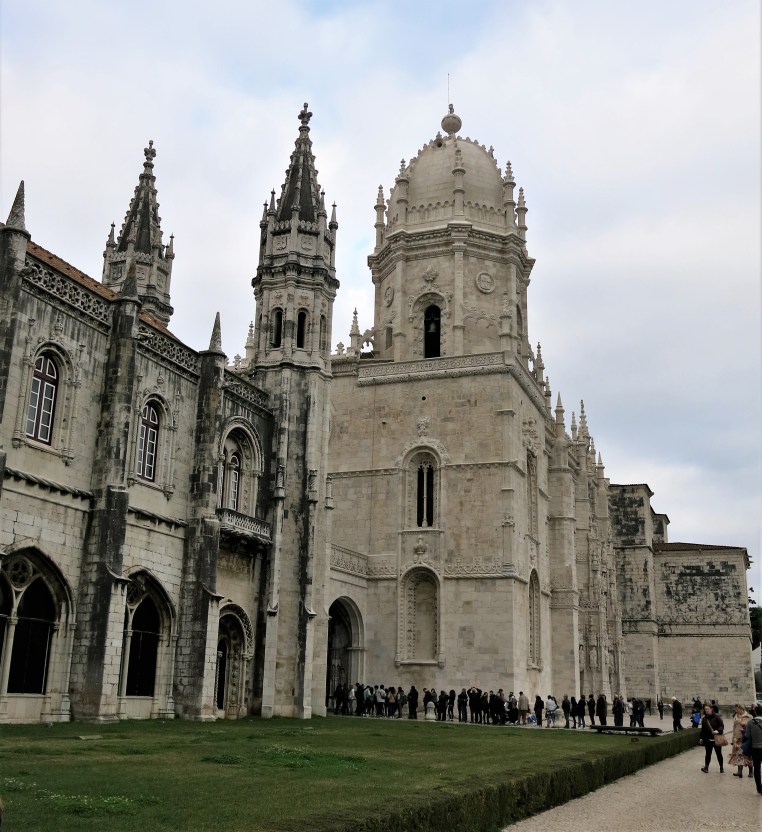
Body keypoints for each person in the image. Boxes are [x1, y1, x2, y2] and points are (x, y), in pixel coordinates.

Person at [741, 704, 762, 794]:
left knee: (757, 768)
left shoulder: (750, 722)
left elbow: (747, 735)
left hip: (755, 748)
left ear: (756, 712)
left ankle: (759, 788)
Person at [728, 703, 752, 778]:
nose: (736, 710)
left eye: (737, 709)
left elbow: (750, 726)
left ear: (742, 709)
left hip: (746, 739)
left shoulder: (749, 716)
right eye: (736, 709)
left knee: (748, 755)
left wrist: (741, 722)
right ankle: (739, 771)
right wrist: (733, 739)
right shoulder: (736, 716)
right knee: (738, 755)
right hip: (737, 739)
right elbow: (734, 728)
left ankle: (751, 771)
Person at [700, 703, 725, 773]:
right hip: (708, 739)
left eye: (708, 709)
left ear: (711, 709)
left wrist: (717, 731)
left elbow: (721, 726)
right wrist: (701, 738)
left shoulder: (717, 717)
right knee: (708, 754)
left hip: (716, 738)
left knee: (719, 754)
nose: (707, 710)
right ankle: (706, 767)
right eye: (705, 709)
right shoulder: (704, 719)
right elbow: (703, 729)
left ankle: (721, 767)